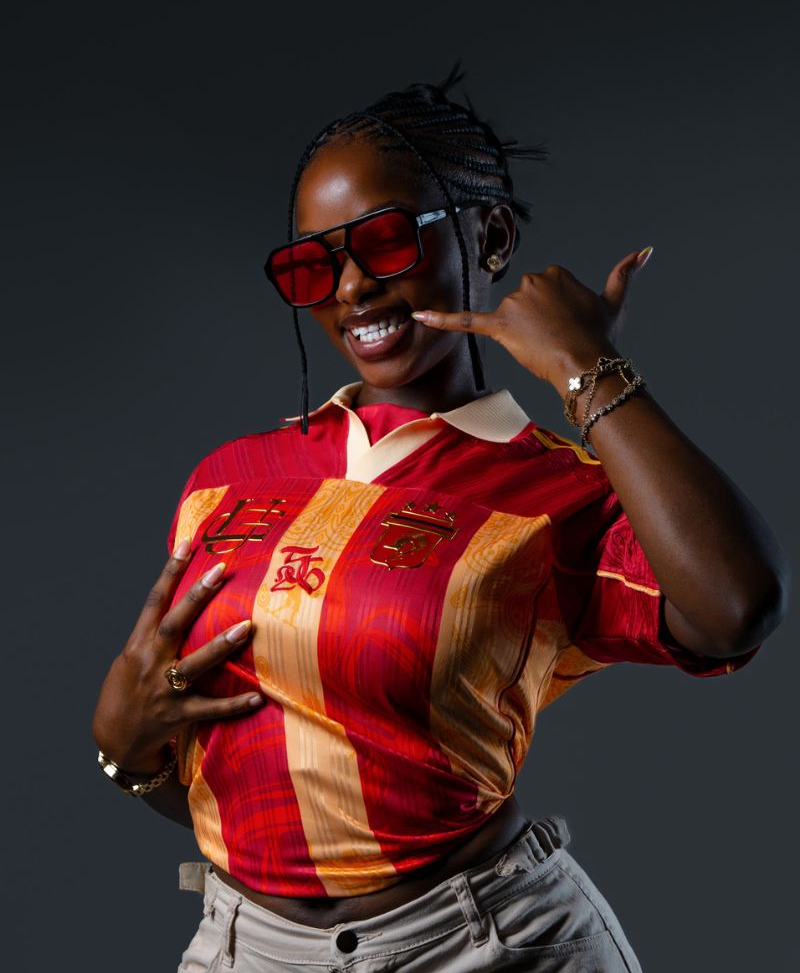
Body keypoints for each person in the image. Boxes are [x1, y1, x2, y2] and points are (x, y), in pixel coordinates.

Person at [92, 67, 789, 972]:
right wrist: (126, 753)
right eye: (313, 266)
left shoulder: (558, 492)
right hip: (246, 948)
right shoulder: (226, 482)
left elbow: (737, 606)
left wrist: (585, 366)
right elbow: (236, 778)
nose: (351, 288)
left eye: (384, 242)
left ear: (488, 236)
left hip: (481, 946)